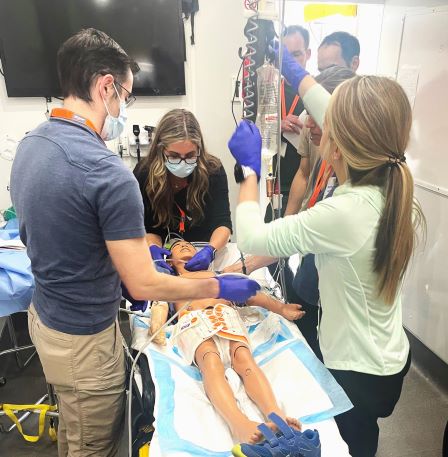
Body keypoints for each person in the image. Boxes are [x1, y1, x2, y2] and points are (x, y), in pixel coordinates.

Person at [10, 28, 259, 457]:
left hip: (46, 322)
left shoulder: (32, 145)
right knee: (92, 444)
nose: (124, 106)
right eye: (126, 95)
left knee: (74, 429)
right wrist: (217, 285)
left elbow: (50, 234)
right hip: (85, 340)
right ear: (106, 86)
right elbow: (145, 287)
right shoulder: (108, 173)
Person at [228, 46, 425, 457]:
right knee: (361, 433)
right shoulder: (389, 173)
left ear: (339, 142)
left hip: (357, 371)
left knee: (350, 444)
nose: (315, 125)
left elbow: (250, 236)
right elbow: (335, 109)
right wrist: (291, 68)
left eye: (327, 125)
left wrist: (249, 169)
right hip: (386, 358)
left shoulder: (346, 212)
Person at [150, 239, 304, 445]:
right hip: (193, 320)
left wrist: (280, 308)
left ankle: (276, 416)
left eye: (189, 244)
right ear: (169, 260)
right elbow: (158, 303)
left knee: (244, 359)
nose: (185, 245)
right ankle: (239, 425)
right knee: (211, 363)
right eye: (178, 245)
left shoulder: (219, 275)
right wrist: (156, 322)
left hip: (225, 315)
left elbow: (251, 295)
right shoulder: (169, 279)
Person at [133, 109, 232, 273]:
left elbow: (223, 223)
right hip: (164, 256)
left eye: (190, 155)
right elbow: (146, 226)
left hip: (205, 252)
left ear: (199, 150)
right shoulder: (144, 174)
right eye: (174, 156)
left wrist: (210, 250)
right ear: (161, 150)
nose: (182, 162)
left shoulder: (213, 171)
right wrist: (152, 249)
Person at [264, 25, 311, 301]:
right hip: (280, 185)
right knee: (271, 254)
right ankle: (294, 302)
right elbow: (257, 131)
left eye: (297, 55)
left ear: (308, 54)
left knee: (310, 267)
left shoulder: (318, 91)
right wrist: (277, 126)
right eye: (286, 57)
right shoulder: (272, 89)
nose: (291, 63)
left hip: (311, 190)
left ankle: (303, 311)